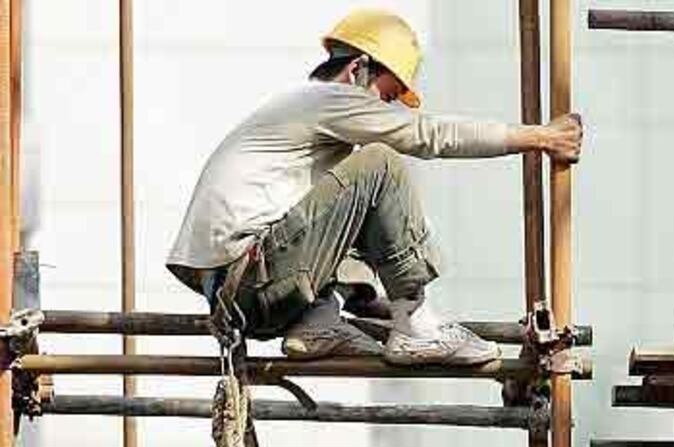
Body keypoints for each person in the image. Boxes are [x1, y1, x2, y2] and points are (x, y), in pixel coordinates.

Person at [166, 9, 583, 365]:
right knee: (379, 162)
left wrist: (364, 297)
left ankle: (318, 322)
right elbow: (429, 135)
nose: (385, 110)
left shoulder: (296, 117)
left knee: (354, 182)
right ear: (357, 68)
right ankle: (416, 323)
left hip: (237, 296)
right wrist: (538, 138)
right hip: (254, 279)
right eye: (386, 95)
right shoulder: (329, 99)